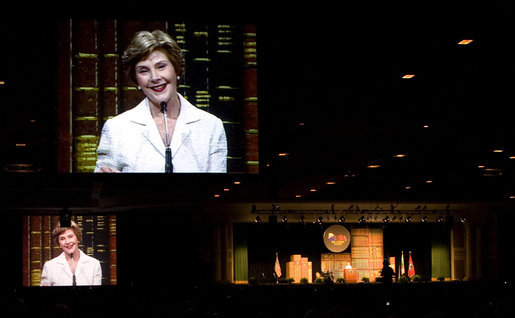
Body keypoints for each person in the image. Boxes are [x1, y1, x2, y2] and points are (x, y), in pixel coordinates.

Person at [95, 30, 227, 173]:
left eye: (161, 66)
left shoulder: (211, 127)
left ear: (176, 69)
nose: (154, 77)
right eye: (144, 71)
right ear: (136, 79)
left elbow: (216, 190)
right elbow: (101, 189)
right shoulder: (117, 129)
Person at [40, 221, 102, 286]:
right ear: (59, 243)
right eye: (62, 238)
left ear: (77, 238)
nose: (67, 242)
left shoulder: (94, 264)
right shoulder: (50, 266)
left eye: (70, 236)